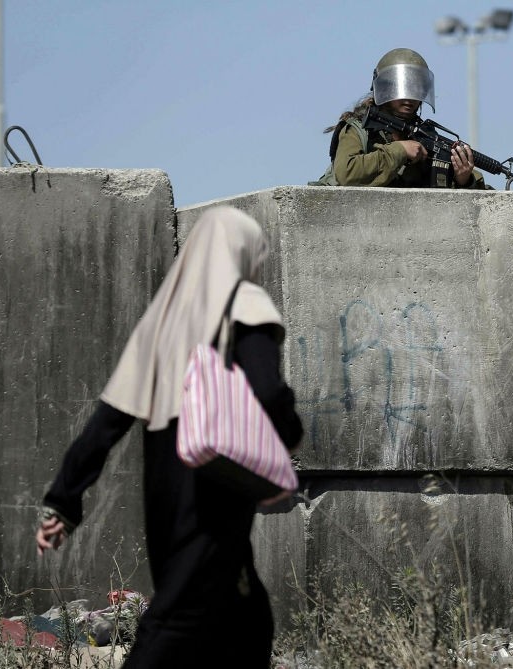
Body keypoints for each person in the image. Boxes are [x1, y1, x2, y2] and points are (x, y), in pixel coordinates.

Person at [35, 206, 303, 667]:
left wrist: (64, 499)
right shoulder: (243, 303)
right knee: (177, 616)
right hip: (213, 481)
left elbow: (107, 422)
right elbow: (268, 392)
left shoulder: (160, 324)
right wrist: (290, 434)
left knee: (246, 614)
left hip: (163, 481)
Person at [311, 48, 486, 189]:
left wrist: (463, 179)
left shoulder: (426, 136)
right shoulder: (359, 129)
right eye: (401, 88)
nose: (409, 97)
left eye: (415, 89)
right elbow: (346, 173)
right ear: (384, 89)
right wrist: (400, 150)